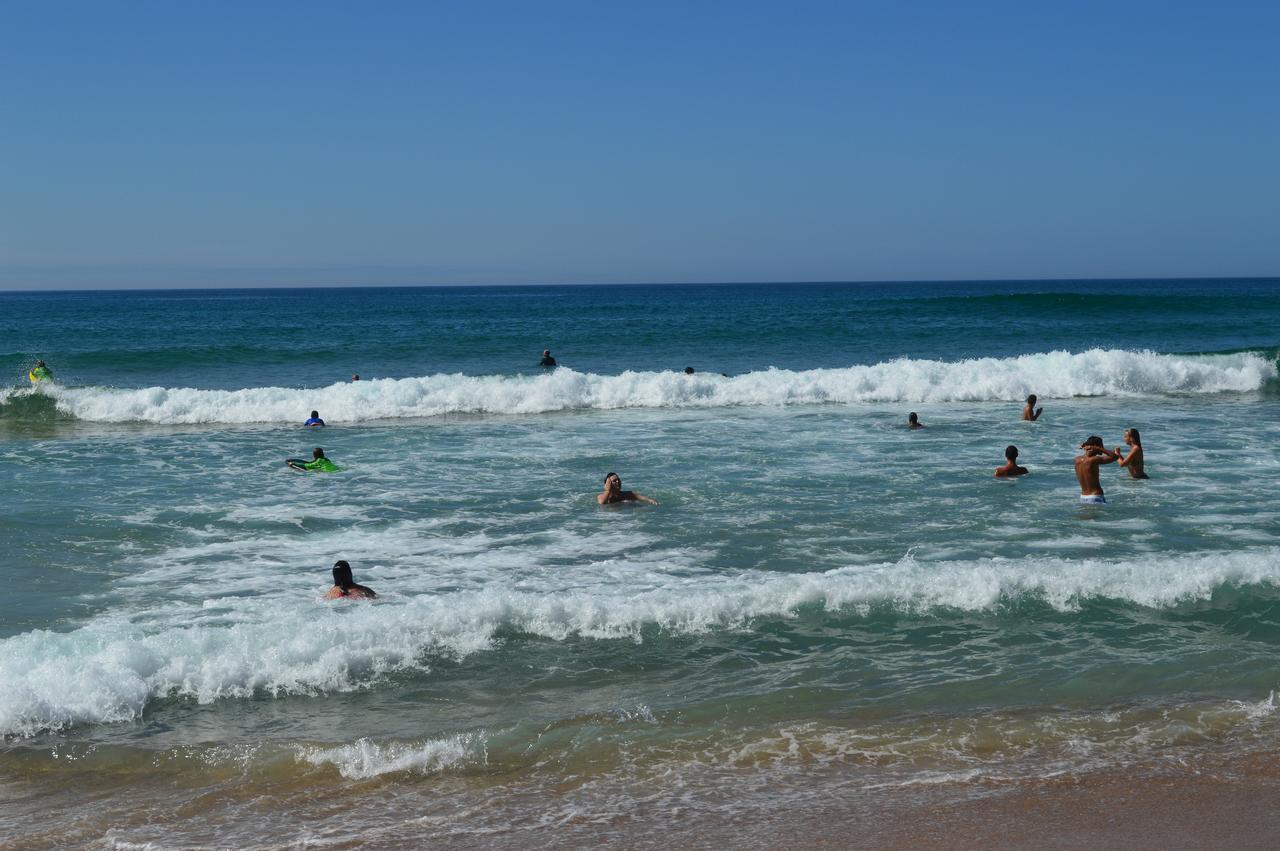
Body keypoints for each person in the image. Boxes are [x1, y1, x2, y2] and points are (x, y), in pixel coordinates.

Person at [1075, 436, 1119, 503]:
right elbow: (1115, 457)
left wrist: (1090, 447)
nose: (1102, 448)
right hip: (1095, 496)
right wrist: (1099, 448)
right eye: (1101, 446)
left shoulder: (1077, 459)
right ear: (1095, 446)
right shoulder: (1094, 459)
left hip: (1083, 497)